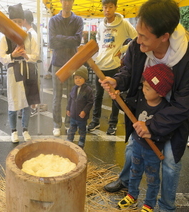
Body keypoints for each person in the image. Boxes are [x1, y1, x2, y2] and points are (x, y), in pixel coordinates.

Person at [101, 0, 189, 211]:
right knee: (132, 149)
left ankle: (166, 206)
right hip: (143, 109)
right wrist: (117, 81)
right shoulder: (137, 46)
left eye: (144, 36)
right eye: (138, 33)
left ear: (164, 36)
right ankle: (127, 185)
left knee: (170, 162)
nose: (138, 40)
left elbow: (182, 105)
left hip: (172, 117)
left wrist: (151, 128)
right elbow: (128, 70)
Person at [116, 64, 174, 212]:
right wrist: (117, 97)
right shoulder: (140, 99)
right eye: (144, 86)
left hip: (152, 151)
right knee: (134, 172)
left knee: (152, 179)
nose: (144, 90)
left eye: (148, 88)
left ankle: (149, 204)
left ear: (161, 93)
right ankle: (132, 194)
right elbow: (126, 107)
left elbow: (167, 131)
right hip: (137, 145)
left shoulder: (165, 109)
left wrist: (152, 133)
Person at [87, 0, 137, 135]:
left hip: (114, 65)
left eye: (110, 7)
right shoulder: (100, 25)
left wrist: (124, 49)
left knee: (115, 95)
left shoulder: (124, 23)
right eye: (105, 7)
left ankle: (113, 123)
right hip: (100, 64)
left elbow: (136, 38)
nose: (107, 10)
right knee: (98, 95)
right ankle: (95, 121)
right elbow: (99, 42)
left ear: (115, 7)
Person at [0, 3, 40, 143]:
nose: (17, 24)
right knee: (13, 102)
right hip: (13, 72)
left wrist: (27, 56)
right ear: (10, 22)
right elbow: (1, 57)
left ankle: (25, 129)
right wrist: (13, 55)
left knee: (27, 102)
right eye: (14, 21)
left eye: (19, 21)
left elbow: (36, 55)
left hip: (28, 70)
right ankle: (13, 131)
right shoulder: (5, 37)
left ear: (23, 21)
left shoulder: (29, 36)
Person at [49, 0, 83, 137]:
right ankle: (57, 124)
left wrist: (59, 38)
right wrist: (69, 39)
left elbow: (78, 40)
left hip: (72, 63)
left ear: (73, 2)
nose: (67, 3)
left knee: (72, 95)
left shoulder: (78, 20)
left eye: (70, 0)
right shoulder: (53, 20)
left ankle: (69, 123)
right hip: (57, 62)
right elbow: (52, 42)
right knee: (57, 96)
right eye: (65, 0)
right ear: (61, 1)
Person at [66, 66, 93, 149]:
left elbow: (90, 102)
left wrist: (84, 111)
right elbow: (70, 99)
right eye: (76, 78)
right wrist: (68, 108)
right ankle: (69, 140)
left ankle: (81, 142)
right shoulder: (73, 88)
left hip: (82, 117)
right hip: (73, 115)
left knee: (82, 131)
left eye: (80, 78)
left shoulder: (88, 90)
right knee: (71, 130)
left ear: (85, 78)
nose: (77, 80)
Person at [23, 9, 40, 117]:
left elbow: (35, 55)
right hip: (27, 65)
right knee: (29, 88)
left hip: (31, 65)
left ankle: (33, 108)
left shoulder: (32, 34)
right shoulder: (29, 32)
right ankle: (31, 108)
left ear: (25, 20)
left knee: (32, 88)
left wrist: (26, 56)